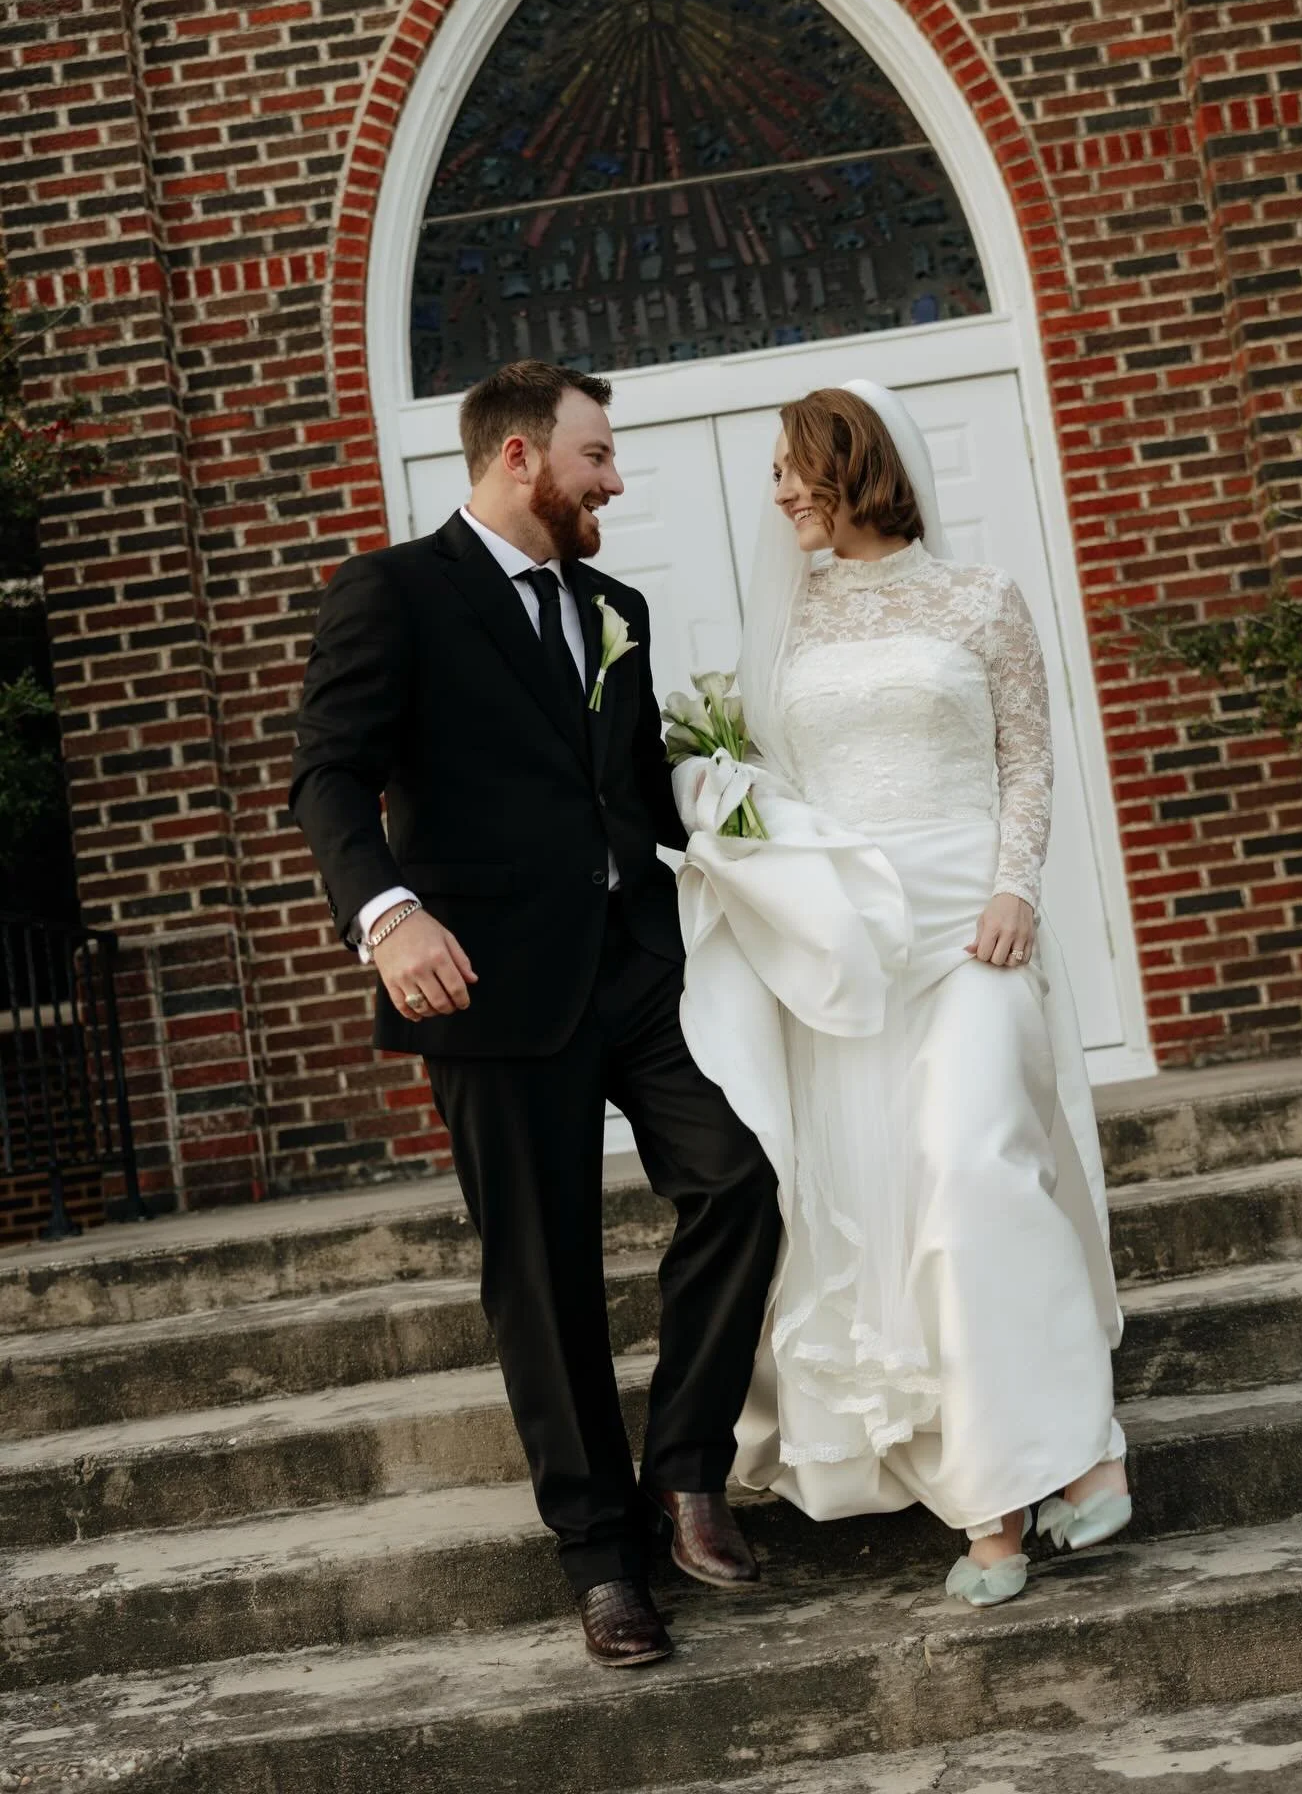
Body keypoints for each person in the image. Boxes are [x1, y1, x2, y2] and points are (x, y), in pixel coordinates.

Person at [289, 359, 781, 1666]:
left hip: (634, 970)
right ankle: (603, 1560)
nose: (613, 480)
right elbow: (328, 778)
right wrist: (388, 918)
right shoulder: (393, 593)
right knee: (545, 1277)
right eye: (596, 457)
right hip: (485, 984)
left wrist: (754, 816)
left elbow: (623, 793)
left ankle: (686, 1469)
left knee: (736, 1181)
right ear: (521, 458)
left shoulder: (612, 603)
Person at [672, 381, 1130, 1607]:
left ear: (852, 462)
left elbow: (1028, 758)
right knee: (895, 1203)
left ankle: (1066, 1451)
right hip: (858, 954)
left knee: (977, 1168)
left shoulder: (982, 599)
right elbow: (769, 785)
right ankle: (1000, 1501)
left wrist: (1017, 890)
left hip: (974, 929)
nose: (774, 492)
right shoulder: (790, 630)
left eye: (791, 467)